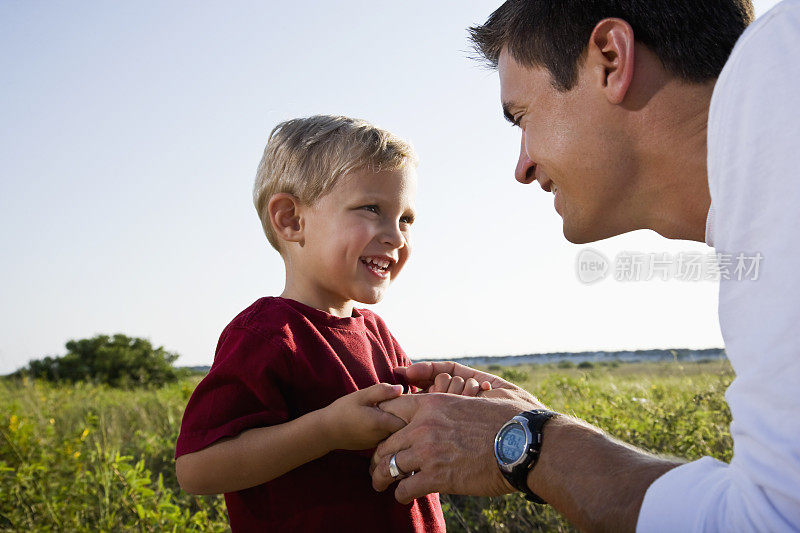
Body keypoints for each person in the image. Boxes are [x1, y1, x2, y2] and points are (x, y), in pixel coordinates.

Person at [370, 1, 800, 531]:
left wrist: (528, 445)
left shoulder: (784, 76)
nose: (521, 166)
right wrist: (538, 432)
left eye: (521, 117)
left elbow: (772, 522)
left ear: (610, 59)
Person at [174, 115, 458, 531]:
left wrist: (441, 402)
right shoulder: (267, 333)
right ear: (291, 219)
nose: (396, 237)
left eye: (406, 219)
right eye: (372, 209)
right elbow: (197, 468)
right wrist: (325, 431)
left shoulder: (376, 332)